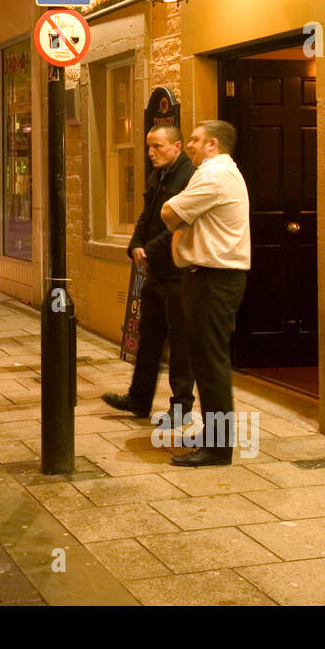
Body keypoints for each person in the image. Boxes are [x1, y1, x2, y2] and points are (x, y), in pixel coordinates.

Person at [161, 120, 251, 467]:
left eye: (196, 140)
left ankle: (217, 447)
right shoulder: (219, 173)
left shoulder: (214, 174)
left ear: (213, 144)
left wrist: (179, 225)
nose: (190, 146)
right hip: (210, 278)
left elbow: (170, 213)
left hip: (214, 280)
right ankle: (214, 433)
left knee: (210, 363)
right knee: (204, 360)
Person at [102, 125, 196, 428]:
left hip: (178, 272)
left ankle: (181, 407)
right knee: (149, 338)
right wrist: (135, 245)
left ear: (177, 146)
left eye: (157, 146)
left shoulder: (189, 177)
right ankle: (139, 398)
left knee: (181, 344)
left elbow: (177, 225)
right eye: (148, 147)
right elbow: (146, 216)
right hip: (156, 272)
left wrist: (149, 250)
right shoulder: (158, 176)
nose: (151, 152)